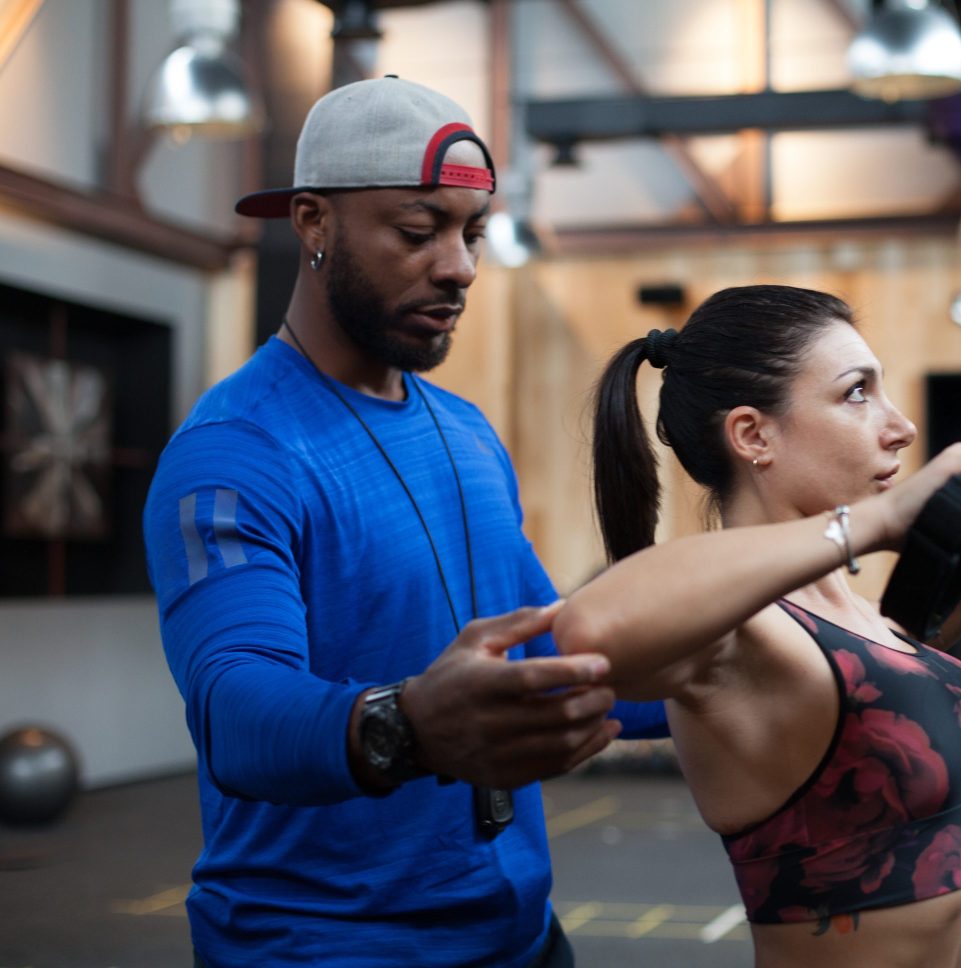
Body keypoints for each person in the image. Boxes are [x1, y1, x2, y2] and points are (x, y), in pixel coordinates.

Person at [142, 76, 665, 968]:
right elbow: (235, 711)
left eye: (472, 234)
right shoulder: (236, 452)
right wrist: (411, 724)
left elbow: (549, 654)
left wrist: (819, 644)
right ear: (313, 224)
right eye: (419, 232)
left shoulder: (463, 430)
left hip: (520, 937)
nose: (459, 266)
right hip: (325, 950)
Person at [553, 285, 961, 968]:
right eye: (857, 393)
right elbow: (591, 625)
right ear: (753, 435)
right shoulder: (737, 634)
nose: (901, 426)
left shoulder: (848, 608)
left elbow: (882, 694)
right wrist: (876, 525)